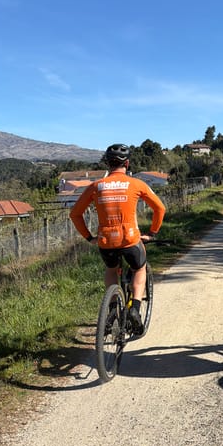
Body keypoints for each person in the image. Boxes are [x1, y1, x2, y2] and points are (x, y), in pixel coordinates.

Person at [70, 143, 166, 335]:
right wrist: (153, 233)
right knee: (139, 268)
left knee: (112, 269)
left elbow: (75, 214)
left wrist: (89, 237)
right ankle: (135, 309)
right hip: (130, 239)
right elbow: (160, 208)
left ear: (108, 163)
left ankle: (112, 309)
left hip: (106, 241)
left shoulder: (96, 186)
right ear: (127, 163)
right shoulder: (137, 184)